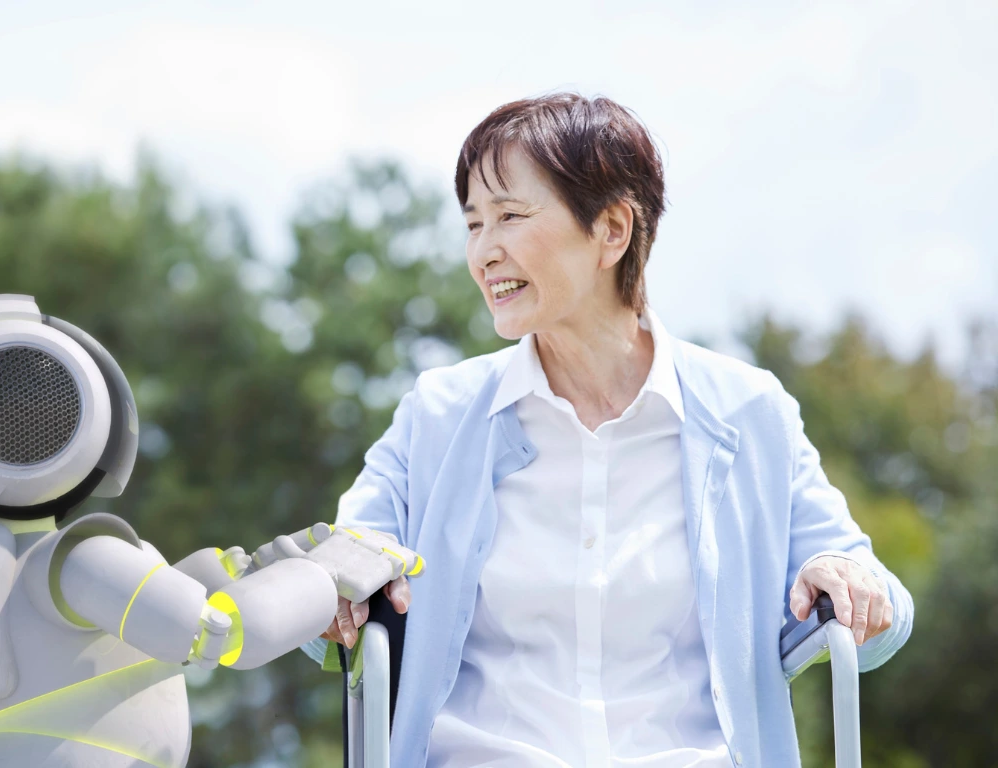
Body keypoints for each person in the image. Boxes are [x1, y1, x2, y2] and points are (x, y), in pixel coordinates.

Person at [302, 93, 913, 768]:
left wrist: (850, 580)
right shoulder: (438, 415)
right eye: (473, 224)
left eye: (509, 216)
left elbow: (880, 609)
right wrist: (330, 586)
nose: (483, 253)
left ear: (613, 230)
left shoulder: (749, 412)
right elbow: (340, 563)